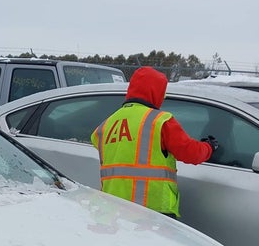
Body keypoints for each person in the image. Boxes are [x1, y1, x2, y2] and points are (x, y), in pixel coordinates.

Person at [90, 66, 218, 218]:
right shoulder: (160, 121)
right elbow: (191, 153)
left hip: (114, 208)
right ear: (156, 92)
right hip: (152, 210)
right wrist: (209, 147)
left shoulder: (106, 125)